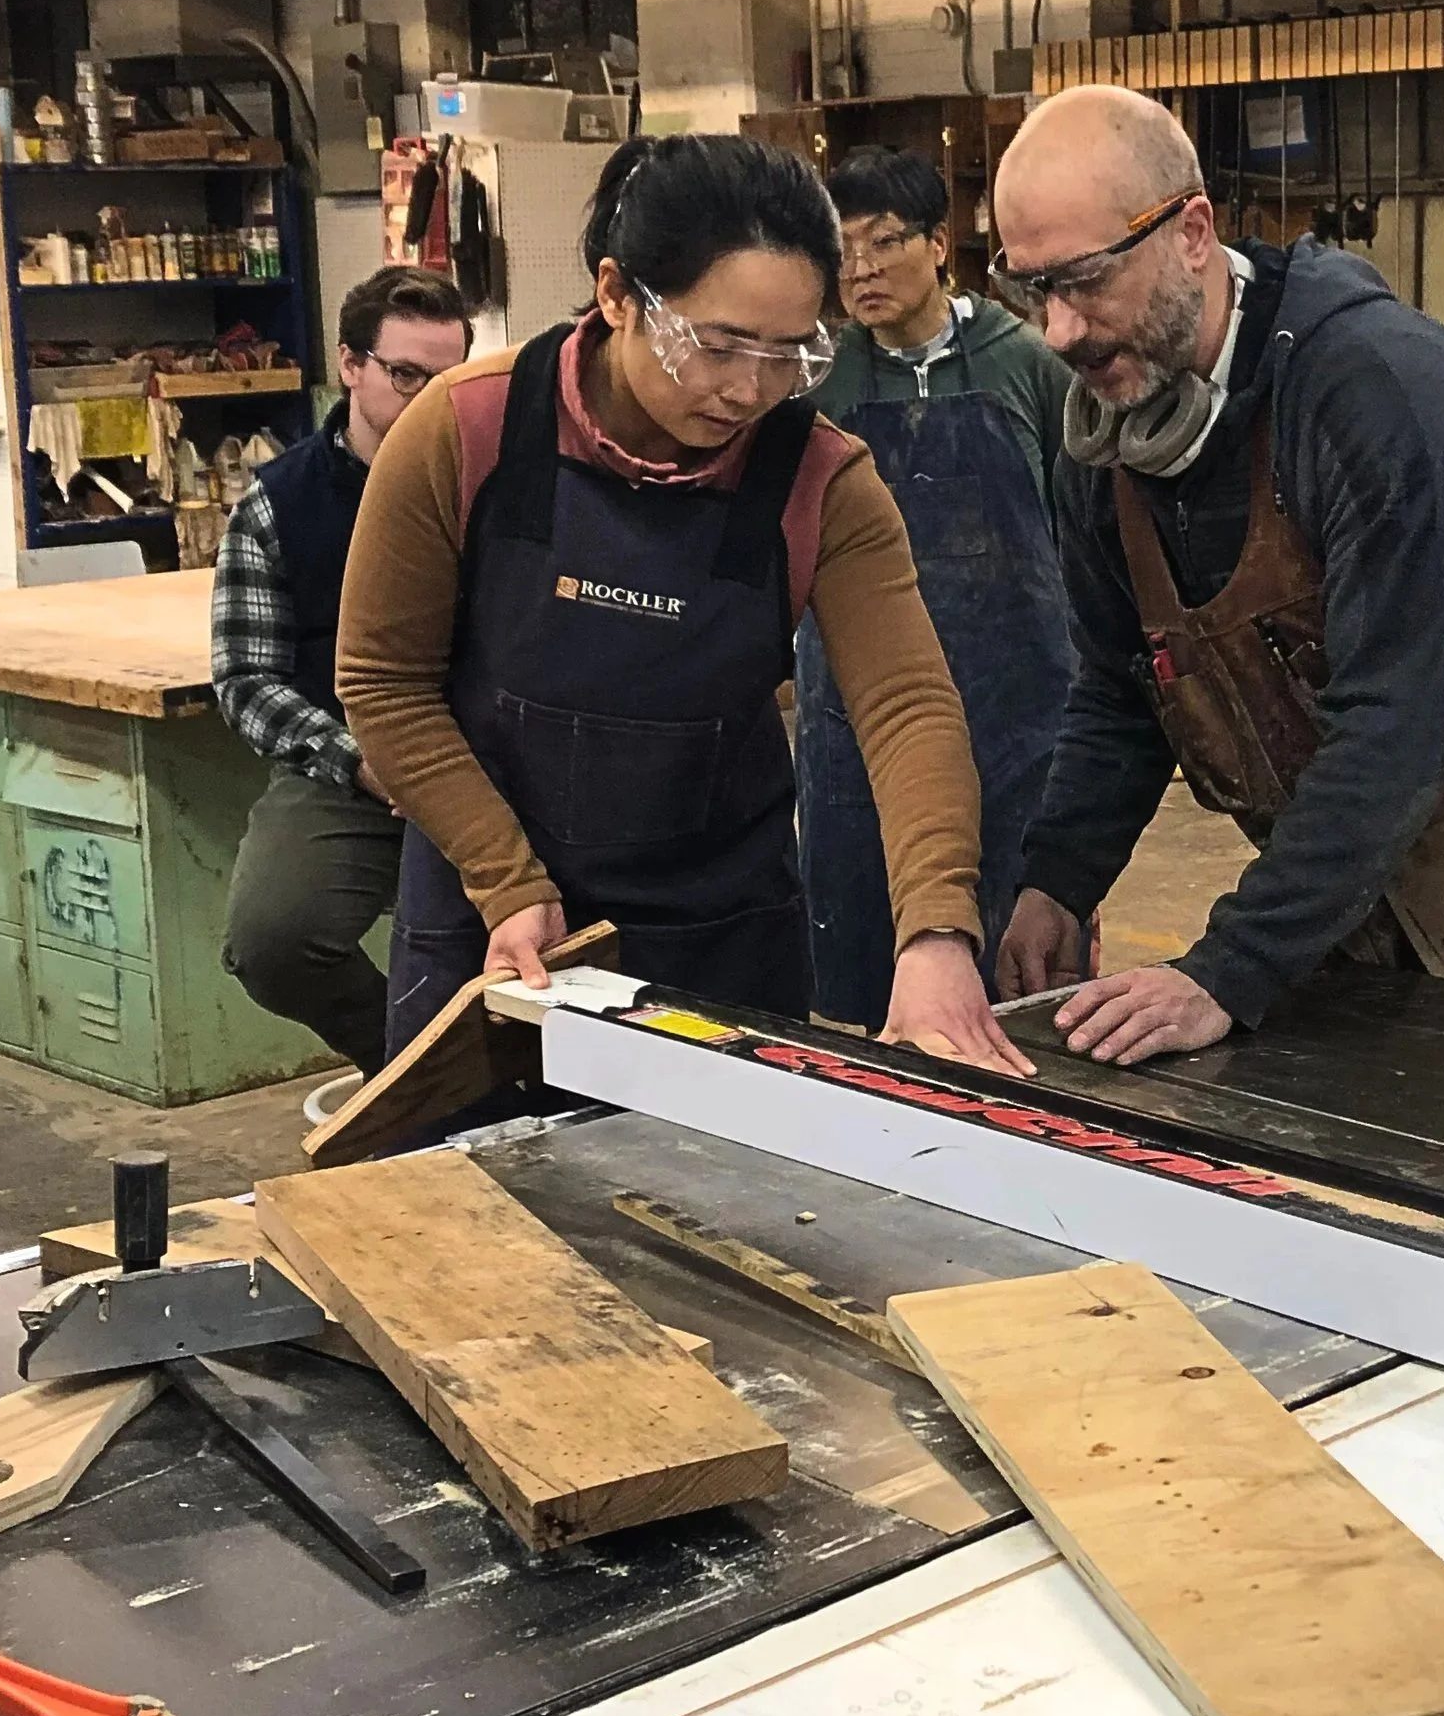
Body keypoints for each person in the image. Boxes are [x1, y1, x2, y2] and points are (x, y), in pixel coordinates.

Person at [991, 86, 1444, 1071]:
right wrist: (1055, 879)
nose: (1059, 332)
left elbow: (1398, 725)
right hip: (1353, 890)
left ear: (1192, 232)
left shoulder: (1377, 388)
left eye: (1087, 281)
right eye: (1031, 290)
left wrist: (1227, 969)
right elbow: (1122, 697)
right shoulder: (1104, 440)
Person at [336, 131, 1027, 1076]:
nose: (749, 390)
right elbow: (382, 685)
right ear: (619, 294)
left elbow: (906, 710)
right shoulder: (466, 431)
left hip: (721, 939)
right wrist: (503, 877)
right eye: (716, 345)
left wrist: (937, 930)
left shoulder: (820, 479)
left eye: (790, 354)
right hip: (499, 934)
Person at [794, 144, 1074, 1030]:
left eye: (884, 242)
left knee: (1026, 970)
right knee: (857, 964)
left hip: (1023, 716)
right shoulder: (821, 381)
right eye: (844, 253)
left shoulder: (1029, 364)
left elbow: (1085, 527)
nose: (864, 270)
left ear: (940, 243)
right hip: (855, 721)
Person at [215, 264, 471, 1073]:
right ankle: (413, 1073)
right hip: (351, 768)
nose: (429, 400)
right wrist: (359, 762)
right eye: (406, 376)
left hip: (485, 761)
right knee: (274, 940)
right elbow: (247, 681)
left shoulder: (497, 485)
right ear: (350, 365)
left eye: (449, 379)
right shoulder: (277, 504)